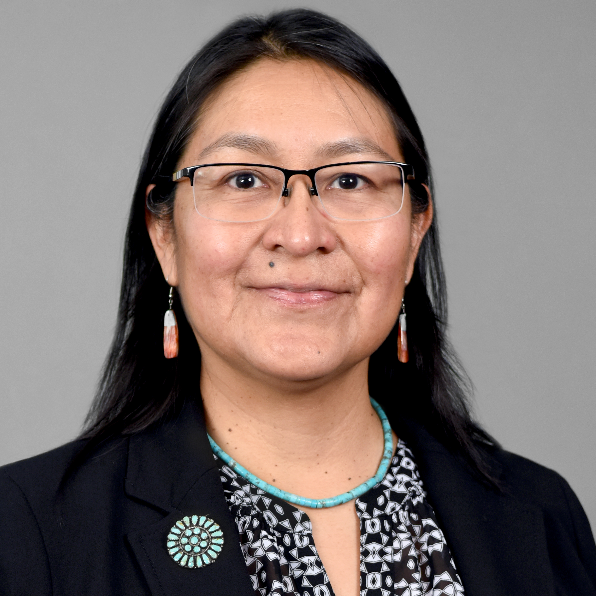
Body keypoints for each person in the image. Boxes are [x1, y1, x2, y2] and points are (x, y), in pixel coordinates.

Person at [0, 8, 595, 596]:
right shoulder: (26, 533)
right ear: (164, 236)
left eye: (351, 180)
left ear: (415, 232)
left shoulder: (541, 518)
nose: (302, 233)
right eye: (243, 180)